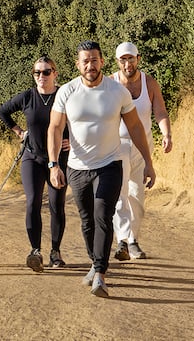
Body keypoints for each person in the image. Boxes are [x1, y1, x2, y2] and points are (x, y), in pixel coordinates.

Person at [47, 40, 155, 298]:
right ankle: (94, 262)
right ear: (78, 64)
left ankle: (100, 273)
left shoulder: (117, 91)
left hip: (110, 163)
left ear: (102, 62)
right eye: (85, 61)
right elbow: (54, 128)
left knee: (103, 215)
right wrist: (53, 165)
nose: (90, 65)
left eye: (94, 60)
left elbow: (136, 128)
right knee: (86, 221)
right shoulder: (67, 92)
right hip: (77, 166)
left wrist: (149, 163)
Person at [0, 56, 70, 272]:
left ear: (55, 73)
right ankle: (35, 250)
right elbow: (3, 111)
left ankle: (55, 252)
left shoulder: (64, 96)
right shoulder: (28, 96)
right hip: (32, 157)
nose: (41, 76)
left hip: (58, 159)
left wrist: (73, 140)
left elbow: (81, 119)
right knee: (33, 203)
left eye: (46, 72)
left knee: (57, 205)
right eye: (37, 72)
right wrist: (19, 132)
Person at [111, 41, 172, 261]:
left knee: (137, 196)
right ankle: (123, 243)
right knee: (120, 195)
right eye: (123, 59)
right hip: (117, 146)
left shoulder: (150, 83)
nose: (127, 63)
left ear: (138, 59)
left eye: (131, 58)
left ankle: (132, 239)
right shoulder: (111, 84)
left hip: (143, 146)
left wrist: (166, 134)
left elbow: (161, 112)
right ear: (117, 62)